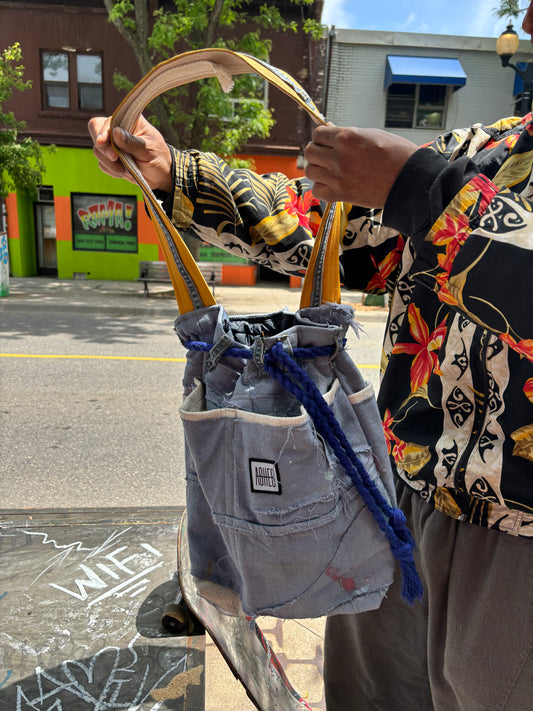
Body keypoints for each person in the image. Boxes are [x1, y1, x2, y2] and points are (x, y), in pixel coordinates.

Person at [89, 7, 533, 707]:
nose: (530, 14)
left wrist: (424, 192)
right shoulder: (493, 147)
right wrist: (175, 171)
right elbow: (321, 223)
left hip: (517, 538)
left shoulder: (458, 170)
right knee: (368, 695)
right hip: (398, 498)